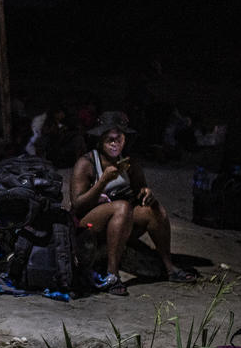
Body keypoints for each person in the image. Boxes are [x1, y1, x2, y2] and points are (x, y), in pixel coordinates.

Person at [70, 111, 198, 296]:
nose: (115, 143)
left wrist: (146, 194)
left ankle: (169, 266)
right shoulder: (87, 163)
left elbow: (140, 188)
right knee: (122, 207)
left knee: (154, 210)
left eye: (119, 138)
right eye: (110, 139)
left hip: (121, 219)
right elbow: (78, 204)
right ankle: (112, 275)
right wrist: (102, 182)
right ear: (100, 140)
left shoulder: (129, 162)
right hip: (88, 222)